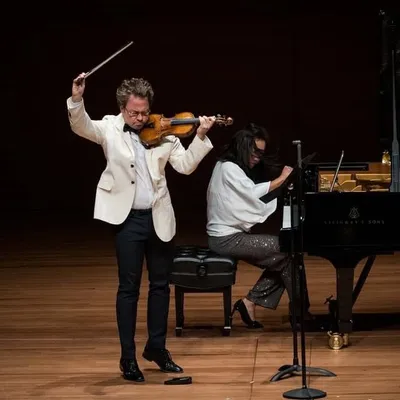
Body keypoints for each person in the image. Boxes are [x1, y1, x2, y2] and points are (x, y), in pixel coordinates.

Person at [66, 72, 216, 382]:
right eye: (134, 113)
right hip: (128, 220)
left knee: (160, 286)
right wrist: (77, 99)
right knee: (128, 288)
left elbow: (185, 166)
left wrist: (200, 136)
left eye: (144, 112)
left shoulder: (165, 131)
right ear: (122, 108)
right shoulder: (109, 127)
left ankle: (157, 348)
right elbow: (81, 125)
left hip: (158, 217)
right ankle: (128, 357)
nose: (140, 118)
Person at [206, 123, 311, 329]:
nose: (257, 158)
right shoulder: (228, 168)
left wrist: (282, 184)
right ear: (242, 148)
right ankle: (299, 314)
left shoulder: (229, 166)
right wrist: (282, 178)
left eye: (260, 153)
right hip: (225, 239)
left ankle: (254, 303)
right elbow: (253, 193)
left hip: (229, 237)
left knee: (288, 254)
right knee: (288, 250)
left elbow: (253, 193)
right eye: (254, 152)